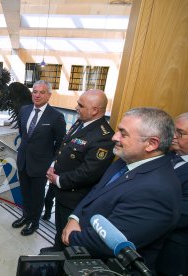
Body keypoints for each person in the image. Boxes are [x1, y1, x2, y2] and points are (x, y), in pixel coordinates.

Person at [60, 107, 181, 271]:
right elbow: (96, 191)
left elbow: (111, 243)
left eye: (123, 134)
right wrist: (74, 217)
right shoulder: (125, 160)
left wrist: (73, 236)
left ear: (152, 144)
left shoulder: (157, 190)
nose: (114, 137)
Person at [42, 89, 115, 250]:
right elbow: (64, 148)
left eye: (81, 105)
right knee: (60, 226)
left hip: (74, 196)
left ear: (95, 110)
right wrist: (53, 166)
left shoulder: (104, 137)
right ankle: (56, 249)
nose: (76, 107)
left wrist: (59, 180)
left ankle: (62, 258)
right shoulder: (81, 122)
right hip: (61, 189)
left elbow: (89, 172)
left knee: (68, 233)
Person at [12, 80, 66, 236]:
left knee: (37, 195)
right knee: (25, 193)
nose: (37, 95)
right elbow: (24, 135)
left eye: (42, 92)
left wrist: (51, 161)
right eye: (35, 91)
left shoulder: (56, 116)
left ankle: (34, 223)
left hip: (41, 165)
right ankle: (25, 216)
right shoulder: (24, 110)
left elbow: (61, 143)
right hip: (23, 161)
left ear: (49, 95)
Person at [156, 112, 188, 276]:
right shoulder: (164, 156)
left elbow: (181, 214)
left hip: (170, 252)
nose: (173, 136)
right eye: (173, 131)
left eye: (180, 133)